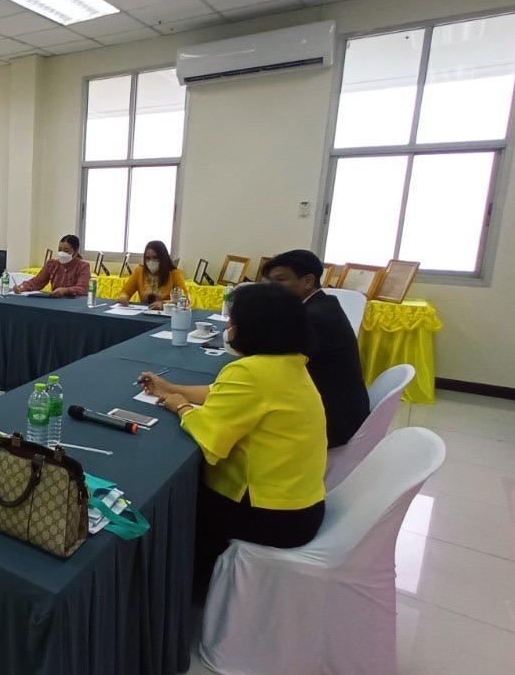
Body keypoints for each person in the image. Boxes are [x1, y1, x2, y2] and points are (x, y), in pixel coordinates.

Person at [138, 282, 327, 594]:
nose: (228, 327)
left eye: (232, 320)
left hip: (271, 515)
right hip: (300, 506)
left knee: (173, 503)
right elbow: (220, 394)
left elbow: (212, 436)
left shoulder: (250, 372)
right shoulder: (289, 362)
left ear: (250, 327)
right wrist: (170, 388)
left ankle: (184, 590)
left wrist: (180, 407)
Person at [261, 250, 370, 449]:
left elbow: (273, 359)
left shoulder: (314, 316)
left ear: (308, 281)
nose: (272, 288)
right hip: (335, 408)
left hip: (331, 422)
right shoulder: (323, 303)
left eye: (280, 280)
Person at [115, 240, 187, 309]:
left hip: (166, 313)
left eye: (155, 258)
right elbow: (125, 291)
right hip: (144, 312)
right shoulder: (139, 271)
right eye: (147, 258)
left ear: (163, 258)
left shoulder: (175, 274)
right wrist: (123, 297)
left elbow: (185, 299)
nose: (151, 261)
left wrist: (164, 303)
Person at [14, 235, 91, 297]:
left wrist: (66, 290)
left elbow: (83, 288)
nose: (62, 253)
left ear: (76, 251)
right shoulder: (52, 264)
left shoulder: (83, 266)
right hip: (55, 302)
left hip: (74, 304)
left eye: (66, 251)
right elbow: (36, 282)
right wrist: (22, 287)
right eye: (60, 250)